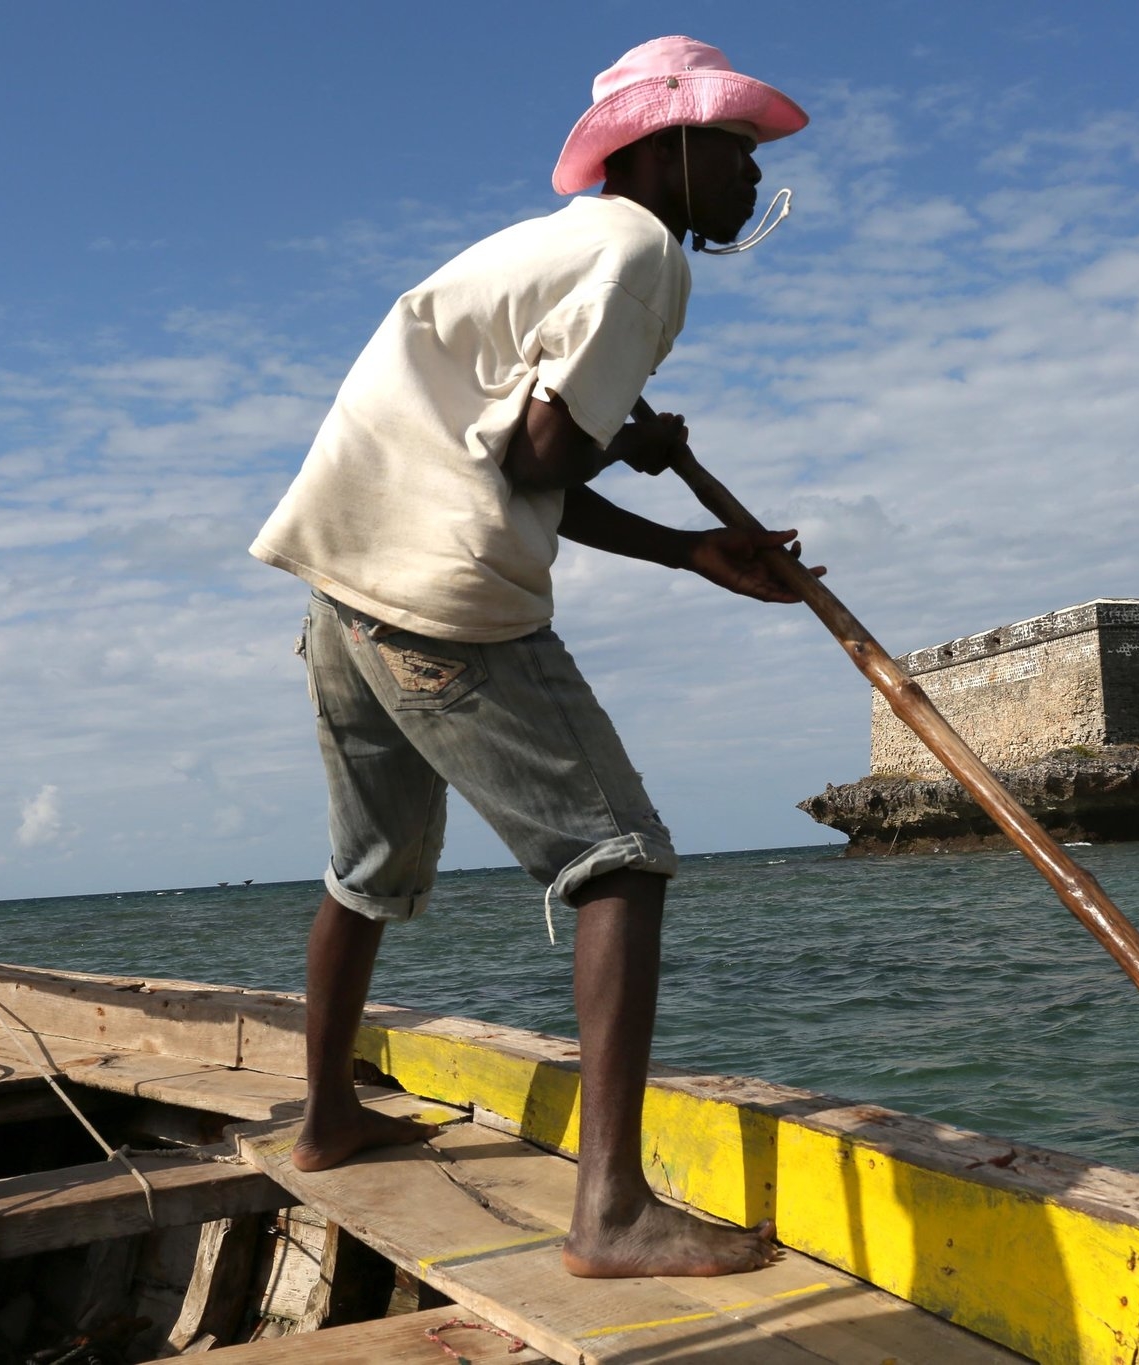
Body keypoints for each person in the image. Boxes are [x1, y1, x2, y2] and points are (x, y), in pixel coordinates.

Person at [249, 37, 812, 1279]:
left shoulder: (540, 247)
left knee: (369, 866)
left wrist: (679, 537)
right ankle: (610, 1214)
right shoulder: (639, 254)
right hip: (440, 596)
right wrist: (621, 449)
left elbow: (510, 433)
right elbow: (539, 461)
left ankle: (328, 1120)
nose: (746, 179)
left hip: (345, 583)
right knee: (617, 858)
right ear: (663, 147)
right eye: (733, 151)